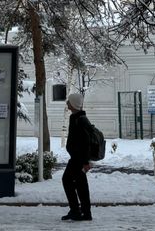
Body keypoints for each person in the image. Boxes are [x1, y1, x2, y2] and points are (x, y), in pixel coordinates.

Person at [61, 92, 93, 222]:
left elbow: (85, 142)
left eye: (69, 101)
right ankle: (85, 213)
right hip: (77, 157)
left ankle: (76, 210)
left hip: (78, 158)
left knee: (67, 180)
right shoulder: (75, 117)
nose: (67, 103)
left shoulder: (80, 120)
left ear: (73, 104)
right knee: (80, 184)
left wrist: (85, 162)